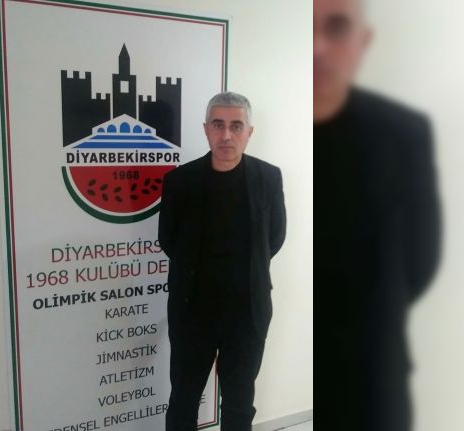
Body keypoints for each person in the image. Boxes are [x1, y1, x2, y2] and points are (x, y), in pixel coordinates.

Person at [314, 0, 441, 430]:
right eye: (306, 31)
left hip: (373, 368)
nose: (317, 47)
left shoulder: (405, 133)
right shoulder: (276, 144)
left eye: (336, 28)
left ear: (362, 41)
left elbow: (421, 258)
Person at [158, 92, 286, 431]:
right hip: (192, 313)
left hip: (247, 313)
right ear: (206, 129)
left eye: (236, 126)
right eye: (218, 125)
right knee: (183, 400)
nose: (226, 135)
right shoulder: (179, 181)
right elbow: (168, 240)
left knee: (239, 403)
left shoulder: (268, 178)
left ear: (249, 132)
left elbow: (274, 238)